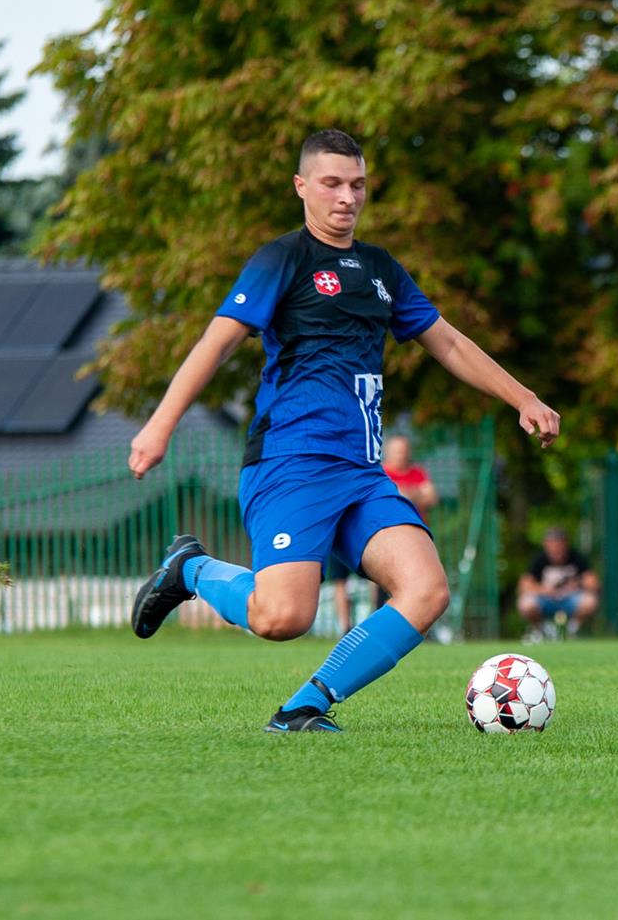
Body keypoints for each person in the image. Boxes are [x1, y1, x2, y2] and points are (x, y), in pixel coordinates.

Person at [127, 129, 560, 733]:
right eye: (331, 183)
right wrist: (159, 427)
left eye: (357, 184)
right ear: (302, 187)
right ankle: (190, 570)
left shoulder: (381, 268)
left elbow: (450, 342)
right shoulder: (283, 259)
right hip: (292, 463)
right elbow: (217, 342)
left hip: (361, 473)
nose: (346, 197)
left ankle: (305, 706)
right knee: (282, 619)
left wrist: (524, 398)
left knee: (427, 589)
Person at [325, 432, 437, 631]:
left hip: (404, 536)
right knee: (340, 580)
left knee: (395, 580)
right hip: (362, 530)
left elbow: (431, 497)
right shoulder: (379, 472)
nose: (401, 455)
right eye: (397, 451)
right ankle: (345, 627)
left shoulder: (417, 472)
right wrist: (412, 493)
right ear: (388, 452)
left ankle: (378, 623)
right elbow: (407, 494)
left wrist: (403, 492)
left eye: (403, 451)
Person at [516, 527, 599, 639]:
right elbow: (524, 585)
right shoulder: (539, 559)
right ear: (546, 544)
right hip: (546, 599)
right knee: (526, 603)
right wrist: (544, 590)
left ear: (566, 544)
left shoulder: (577, 557)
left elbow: (593, 583)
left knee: (590, 601)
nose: (556, 547)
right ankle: (543, 630)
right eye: (552, 543)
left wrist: (577, 584)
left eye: (559, 543)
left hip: (570, 598)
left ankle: (571, 630)